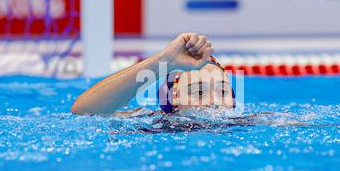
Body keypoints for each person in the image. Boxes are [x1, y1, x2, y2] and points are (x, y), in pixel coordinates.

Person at [71, 33, 235, 116]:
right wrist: (164, 61)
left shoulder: (248, 123)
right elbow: (84, 110)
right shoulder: (153, 125)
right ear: (173, 102)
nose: (215, 102)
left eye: (223, 92)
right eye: (199, 92)